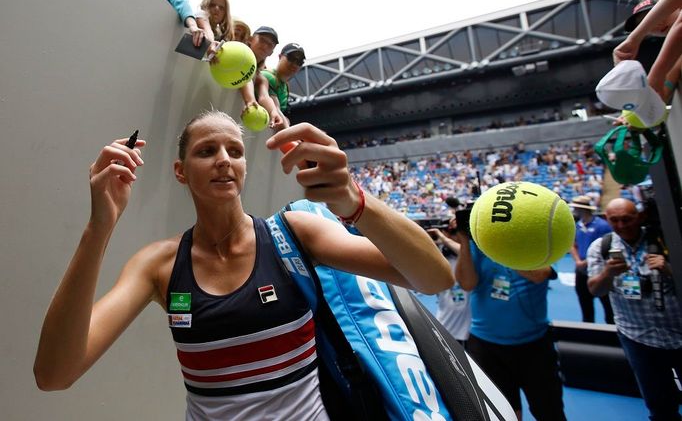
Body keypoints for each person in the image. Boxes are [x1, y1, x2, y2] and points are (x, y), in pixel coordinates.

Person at [33, 112, 453, 420]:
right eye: (206, 151)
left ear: (245, 167)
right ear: (181, 171)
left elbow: (434, 277)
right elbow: (54, 374)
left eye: (234, 150)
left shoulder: (293, 235)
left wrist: (353, 201)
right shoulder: (159, 265)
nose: (223, 159)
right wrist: (98, 227)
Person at [587, 198, 682, 421]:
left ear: (640, 217)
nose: (621, 225)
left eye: (627, 219)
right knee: (659, 406)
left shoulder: (667, 237)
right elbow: (595, 290)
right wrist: (607, 274)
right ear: (606, 220)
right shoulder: (601, 247)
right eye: (614, 220)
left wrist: (670, 271)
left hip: (678, 334)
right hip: (637, 338)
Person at [455, 232, 565, 421]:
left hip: (534, 344)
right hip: (485, 344)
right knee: (503, 414)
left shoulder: (537, 240)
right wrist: (466, 241)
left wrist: (499, 246)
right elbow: (466, 283)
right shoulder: (477, 243)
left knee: (549, 410)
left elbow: (540, 275)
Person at [427, 212, 471, 346]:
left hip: (470, 330)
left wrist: (444, 238)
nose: (455, 236)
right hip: (447, 326)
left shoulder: (469, 255)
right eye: (451, 232)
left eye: (458, 231)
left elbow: (464, 250)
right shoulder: (440, 257)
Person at [569, 195, 614, 324]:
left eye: (576, 207)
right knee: (585, 306)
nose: (574, 210)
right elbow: (573, 244)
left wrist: (586, 262)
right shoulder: (577, 225)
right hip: (581, 271)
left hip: (600, 270)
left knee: (608, 308)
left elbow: (607, 248)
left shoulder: (602, 226)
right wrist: (578, 261)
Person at [239, 26, 287, 130]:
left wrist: (273, 112)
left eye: (270, 45)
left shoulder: (261, 78)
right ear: (250, 39)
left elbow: (264, 96)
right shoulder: (236, 52)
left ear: (271, 52)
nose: (265, 45)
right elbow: (247, 73)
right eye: (262, 40)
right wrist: (250, 100)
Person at [261, 43, 306, 122]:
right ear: (280, 56)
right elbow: (276, 110)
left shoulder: (285, 86)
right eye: (291, 58)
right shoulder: (268, 76)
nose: (295, 64)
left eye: (299, 62)